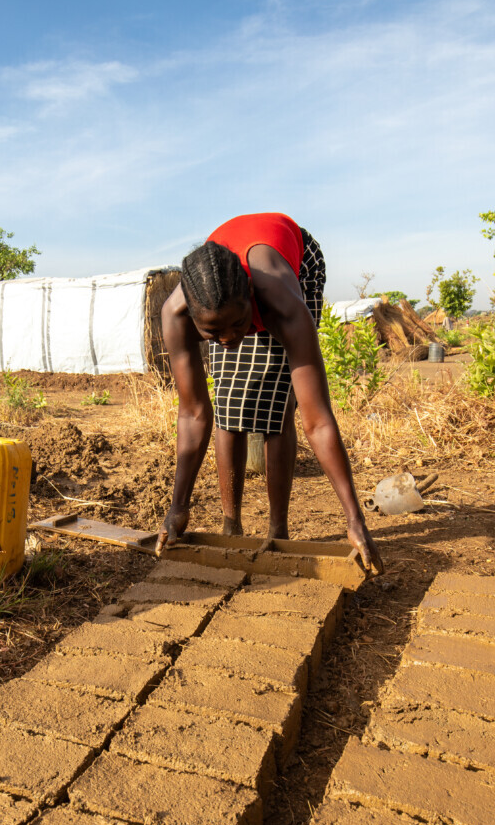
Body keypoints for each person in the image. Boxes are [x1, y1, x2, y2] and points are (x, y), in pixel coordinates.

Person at [155, 212, 382, 574]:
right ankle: (232, 527)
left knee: (276, 404)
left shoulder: (283, 304)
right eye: (212, 333)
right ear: (194, 318)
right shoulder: (177, 313)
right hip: (223, 288)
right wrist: (177, 507)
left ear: (249, 295)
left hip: (295, 258)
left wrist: (354, 519)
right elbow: (194, 414)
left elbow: (318, 421)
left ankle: (279, 531)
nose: (228, 339)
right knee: (231, 403)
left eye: (238, 324)